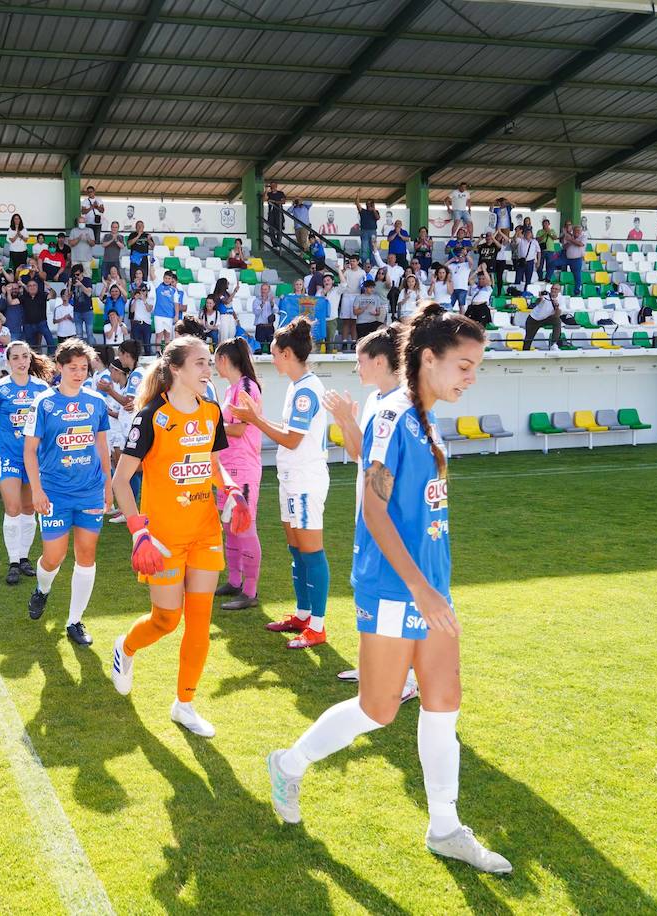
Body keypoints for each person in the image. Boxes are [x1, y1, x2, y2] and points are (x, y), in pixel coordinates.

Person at [265, 306, 508, 876]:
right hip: (395, 589)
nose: (471, 377)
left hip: (428, 588)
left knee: (444, 700)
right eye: (464, 365)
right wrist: (422, 589)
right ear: (428, 358)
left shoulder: (426, 417)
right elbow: (375, 511)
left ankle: (444, 826)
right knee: (378, 709)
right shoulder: (393, 416)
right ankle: (289, 763)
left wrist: (436, 585)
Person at [109, 335, 248, 736]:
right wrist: (139, 533)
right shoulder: (151, 415)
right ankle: (126, 647)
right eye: (201, 364)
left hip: (205, 531)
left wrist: (232, 489)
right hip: (163, 538)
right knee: (167, 619)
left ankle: (184, 704)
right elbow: (121, 480)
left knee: (199, 623)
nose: (209, 371)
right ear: (177, 369)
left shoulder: (210, 410)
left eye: (209, 363)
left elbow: (214, 461)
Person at [322, 325, 419, 702]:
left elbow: (376, 460)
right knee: (373, 591)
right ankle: (375, 665)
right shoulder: (379, 400)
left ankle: (406, 679)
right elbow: (358, 454)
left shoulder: (399, 404)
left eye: (360, 361)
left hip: (392, 516)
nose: (356, 368)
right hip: (370, 510)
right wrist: (345, 420)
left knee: (396, 595)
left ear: (380, 361)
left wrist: (347, 420)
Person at [231, 318, 331, 649]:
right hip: (291, 479)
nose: (271, 360)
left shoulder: (306, 390)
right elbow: (288, 431)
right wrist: (256, 419)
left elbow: (290, 440)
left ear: (287, 353)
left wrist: (254, 420)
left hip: (305, 480)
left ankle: (317, 626)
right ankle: (302, 615)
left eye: (274, 354)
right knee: (295, 550)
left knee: (311, 552)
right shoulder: (295, 387)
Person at [22, 338, 111, 645]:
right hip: (53, 493)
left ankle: (75, 622)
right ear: (59, 368)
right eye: (72, 367)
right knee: (53, 558)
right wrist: (36, 491)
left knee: (86, 555)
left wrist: (107, 487)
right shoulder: (43, 404)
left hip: (88, 491)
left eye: (84, 367)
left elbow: (102, 447)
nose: (79, 373)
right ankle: (41, 590)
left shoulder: (96, 402)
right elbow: (30, 452)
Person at [0, 342, 52, 585]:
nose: (21, 361)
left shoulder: (42, 388)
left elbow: (49, 424)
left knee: (29, 508)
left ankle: (24, 558)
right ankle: (13, 561)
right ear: (8, 361)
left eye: (25, 356)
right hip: (7, 456)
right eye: (16, 357)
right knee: (12, 508)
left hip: (33, 458)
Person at [212, 338, 264, 610]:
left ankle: (250, 591)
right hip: (227, 467)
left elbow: (240, 429)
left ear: (223, 359)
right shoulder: (233, 388)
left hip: (242, 468)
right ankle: (234, 581)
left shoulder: (246, 387)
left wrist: (210, 429)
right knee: (230, 525)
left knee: (244, 526)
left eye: (214, 359)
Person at [17, 275, 56, 353]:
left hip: (42, 323)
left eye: (34, 285)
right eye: (30, 286)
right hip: (28, 325)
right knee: (31, 347)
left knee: (50, 341)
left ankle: (53, 357)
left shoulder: (42, 295)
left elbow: (53, 296)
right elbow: (11, 302)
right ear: (27, 288)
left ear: (37, 287)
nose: (32, 287)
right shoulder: (23, 297)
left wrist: (50, 288)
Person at [523, 283, 564, 350]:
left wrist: (557, 307)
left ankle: (553, 344)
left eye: (556, 289)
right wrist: (540, 297)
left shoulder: (561, 299)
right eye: (553, 288)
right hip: (534, 319)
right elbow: (537, 302)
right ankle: (525, 353)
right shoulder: (545, 296)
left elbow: (557, 315)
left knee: (557, 320)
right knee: (528, 339)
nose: (554, 290)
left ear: (559, 291)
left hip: (546, 318)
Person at [152, 268, 185, 349]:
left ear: (171, 280)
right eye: (166, 278)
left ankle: (167, 353)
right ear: (163, 278)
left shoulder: (174, 290)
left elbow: (176, 304)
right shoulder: (158, 285)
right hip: (159, 315)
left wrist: (176, 315)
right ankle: (158, 352)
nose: (167, 280)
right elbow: (152, 275)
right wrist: (152, 264)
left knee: (167, 335)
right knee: (159, 335)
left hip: (169, 316)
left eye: (169, 278)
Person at [560, 220, 587, 288]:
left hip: (577, 259)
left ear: (581, 231)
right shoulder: (569, 236)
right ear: (573, 231)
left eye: (578, 230)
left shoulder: (583, 236)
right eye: (575, 230)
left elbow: (580, 244)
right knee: (553, 263)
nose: (577, 232)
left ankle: (577, 290)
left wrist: (571, 240)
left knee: (577, 276)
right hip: (567, 258)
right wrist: (569, 241)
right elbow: (564, 247)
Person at [355, 198, 379, 267]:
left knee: (373, 249)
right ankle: (364, 265)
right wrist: (358, 194)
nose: (368, 205)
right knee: (364, 249)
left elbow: (377, 217)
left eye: (370, 204)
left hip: (373, 232)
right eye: (367, 204)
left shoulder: (375, 211)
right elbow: (357, 203)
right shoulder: (363, 211)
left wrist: (373, 209)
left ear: (372, 204)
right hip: (364, 231)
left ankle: (373, 265)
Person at [130, 282, 153, 355]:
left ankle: (148, 359)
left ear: (146, 291)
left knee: (147, 343)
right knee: (136, 344)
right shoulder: (134, 300)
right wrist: (136, 300)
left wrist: (144, 301)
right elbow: (132, 310)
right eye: (140, 290)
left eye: (143, 290)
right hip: (136, 323)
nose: (142, 292)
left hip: (146, 324)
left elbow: (149, 309)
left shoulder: (150, 300)